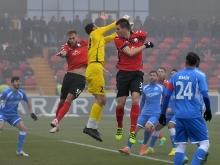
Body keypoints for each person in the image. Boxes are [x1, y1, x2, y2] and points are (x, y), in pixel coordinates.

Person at [159, 52, 212, 165]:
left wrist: (162, 114)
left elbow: (167, 96)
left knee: (181, 145)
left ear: (185, 62)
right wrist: (208, 110)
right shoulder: (199, 76)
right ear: (197, 62)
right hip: (193, 114)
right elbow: (205, 95)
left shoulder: (175, 76)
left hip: (179, 115)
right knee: (205, 144)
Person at [82, 12, 124, 142]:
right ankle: (89, 127)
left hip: (95, 68)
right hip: (95, 68)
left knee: (103, 100)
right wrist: (122, 21)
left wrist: (121, 31)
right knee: (100, 100)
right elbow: (109, 28)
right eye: (96, 26)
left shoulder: (97, 37)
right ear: (94, 28)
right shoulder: (95, 34)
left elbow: (110, 36)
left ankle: (93, 127)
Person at [113, 18, 154, 144]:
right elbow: (130, 53)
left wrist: (140, 40)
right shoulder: (117, 39)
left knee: (136, 99)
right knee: (121, 103)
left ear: (125, 29)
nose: (116, 31)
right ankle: (120, 126)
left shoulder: (139, 34)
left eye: (118, 29)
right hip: (123, 74)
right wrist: (144, 46)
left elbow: (144, 35)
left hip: (137, 73)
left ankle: (132, 130)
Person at [50, 29, 88, 133]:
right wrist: (62, 54)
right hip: (69, 76)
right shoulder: (66, 46)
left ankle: (56, 120)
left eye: (73, 38)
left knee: (69, 98)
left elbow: (98, 38)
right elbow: (64, 52)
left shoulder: (84, 43)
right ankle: (57, 125)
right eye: (70, 39)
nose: (71, 40)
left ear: (77, 37)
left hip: (80, 78)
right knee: (62, 101)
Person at [118, 71, 164, 155]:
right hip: (145, 113)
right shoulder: (145, 88)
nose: (152, 77)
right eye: (150, 75)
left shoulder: (161, 87)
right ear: (148, 77)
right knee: (134, 129)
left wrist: (164, 109)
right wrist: (138, 111)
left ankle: (144, 145)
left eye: (154, 75)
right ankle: (127, 148)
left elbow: (166, 98)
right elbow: (142, 101)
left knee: (147, 127)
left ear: (157, 78)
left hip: (155, 113)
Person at [0, 76, 38, 156]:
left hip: (13, 115)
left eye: (19, 81)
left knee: (23, 128)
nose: (19, 83)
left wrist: (32, 113)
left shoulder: (21, 93)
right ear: (12, 83)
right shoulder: (6, 92)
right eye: (17, 81)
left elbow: (28, 102)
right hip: (2, 113)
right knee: (0, 127)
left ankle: (19, 151)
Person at [145, 69, 178, 156]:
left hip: (177, 112)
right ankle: (151, 148)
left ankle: (175, 149)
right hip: (168, 112)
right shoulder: (168, 86)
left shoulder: (180, 86)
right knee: (157, 127)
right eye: (171, 74)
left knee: (171, 125)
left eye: (174, 74)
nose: (172, 75)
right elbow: (165, 99)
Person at [137, 67, 168, 146]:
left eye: (161, 71)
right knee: (152, 125)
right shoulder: (154, 84)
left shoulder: (166, 84)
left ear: (165, 73)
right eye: (159, 71)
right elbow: (143, 99)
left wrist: (167, 106)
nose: (160, 73)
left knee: (154, 125)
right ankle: (159, 138)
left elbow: (168, 95)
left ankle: (150, 141)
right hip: (157, 106)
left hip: (162, 106)